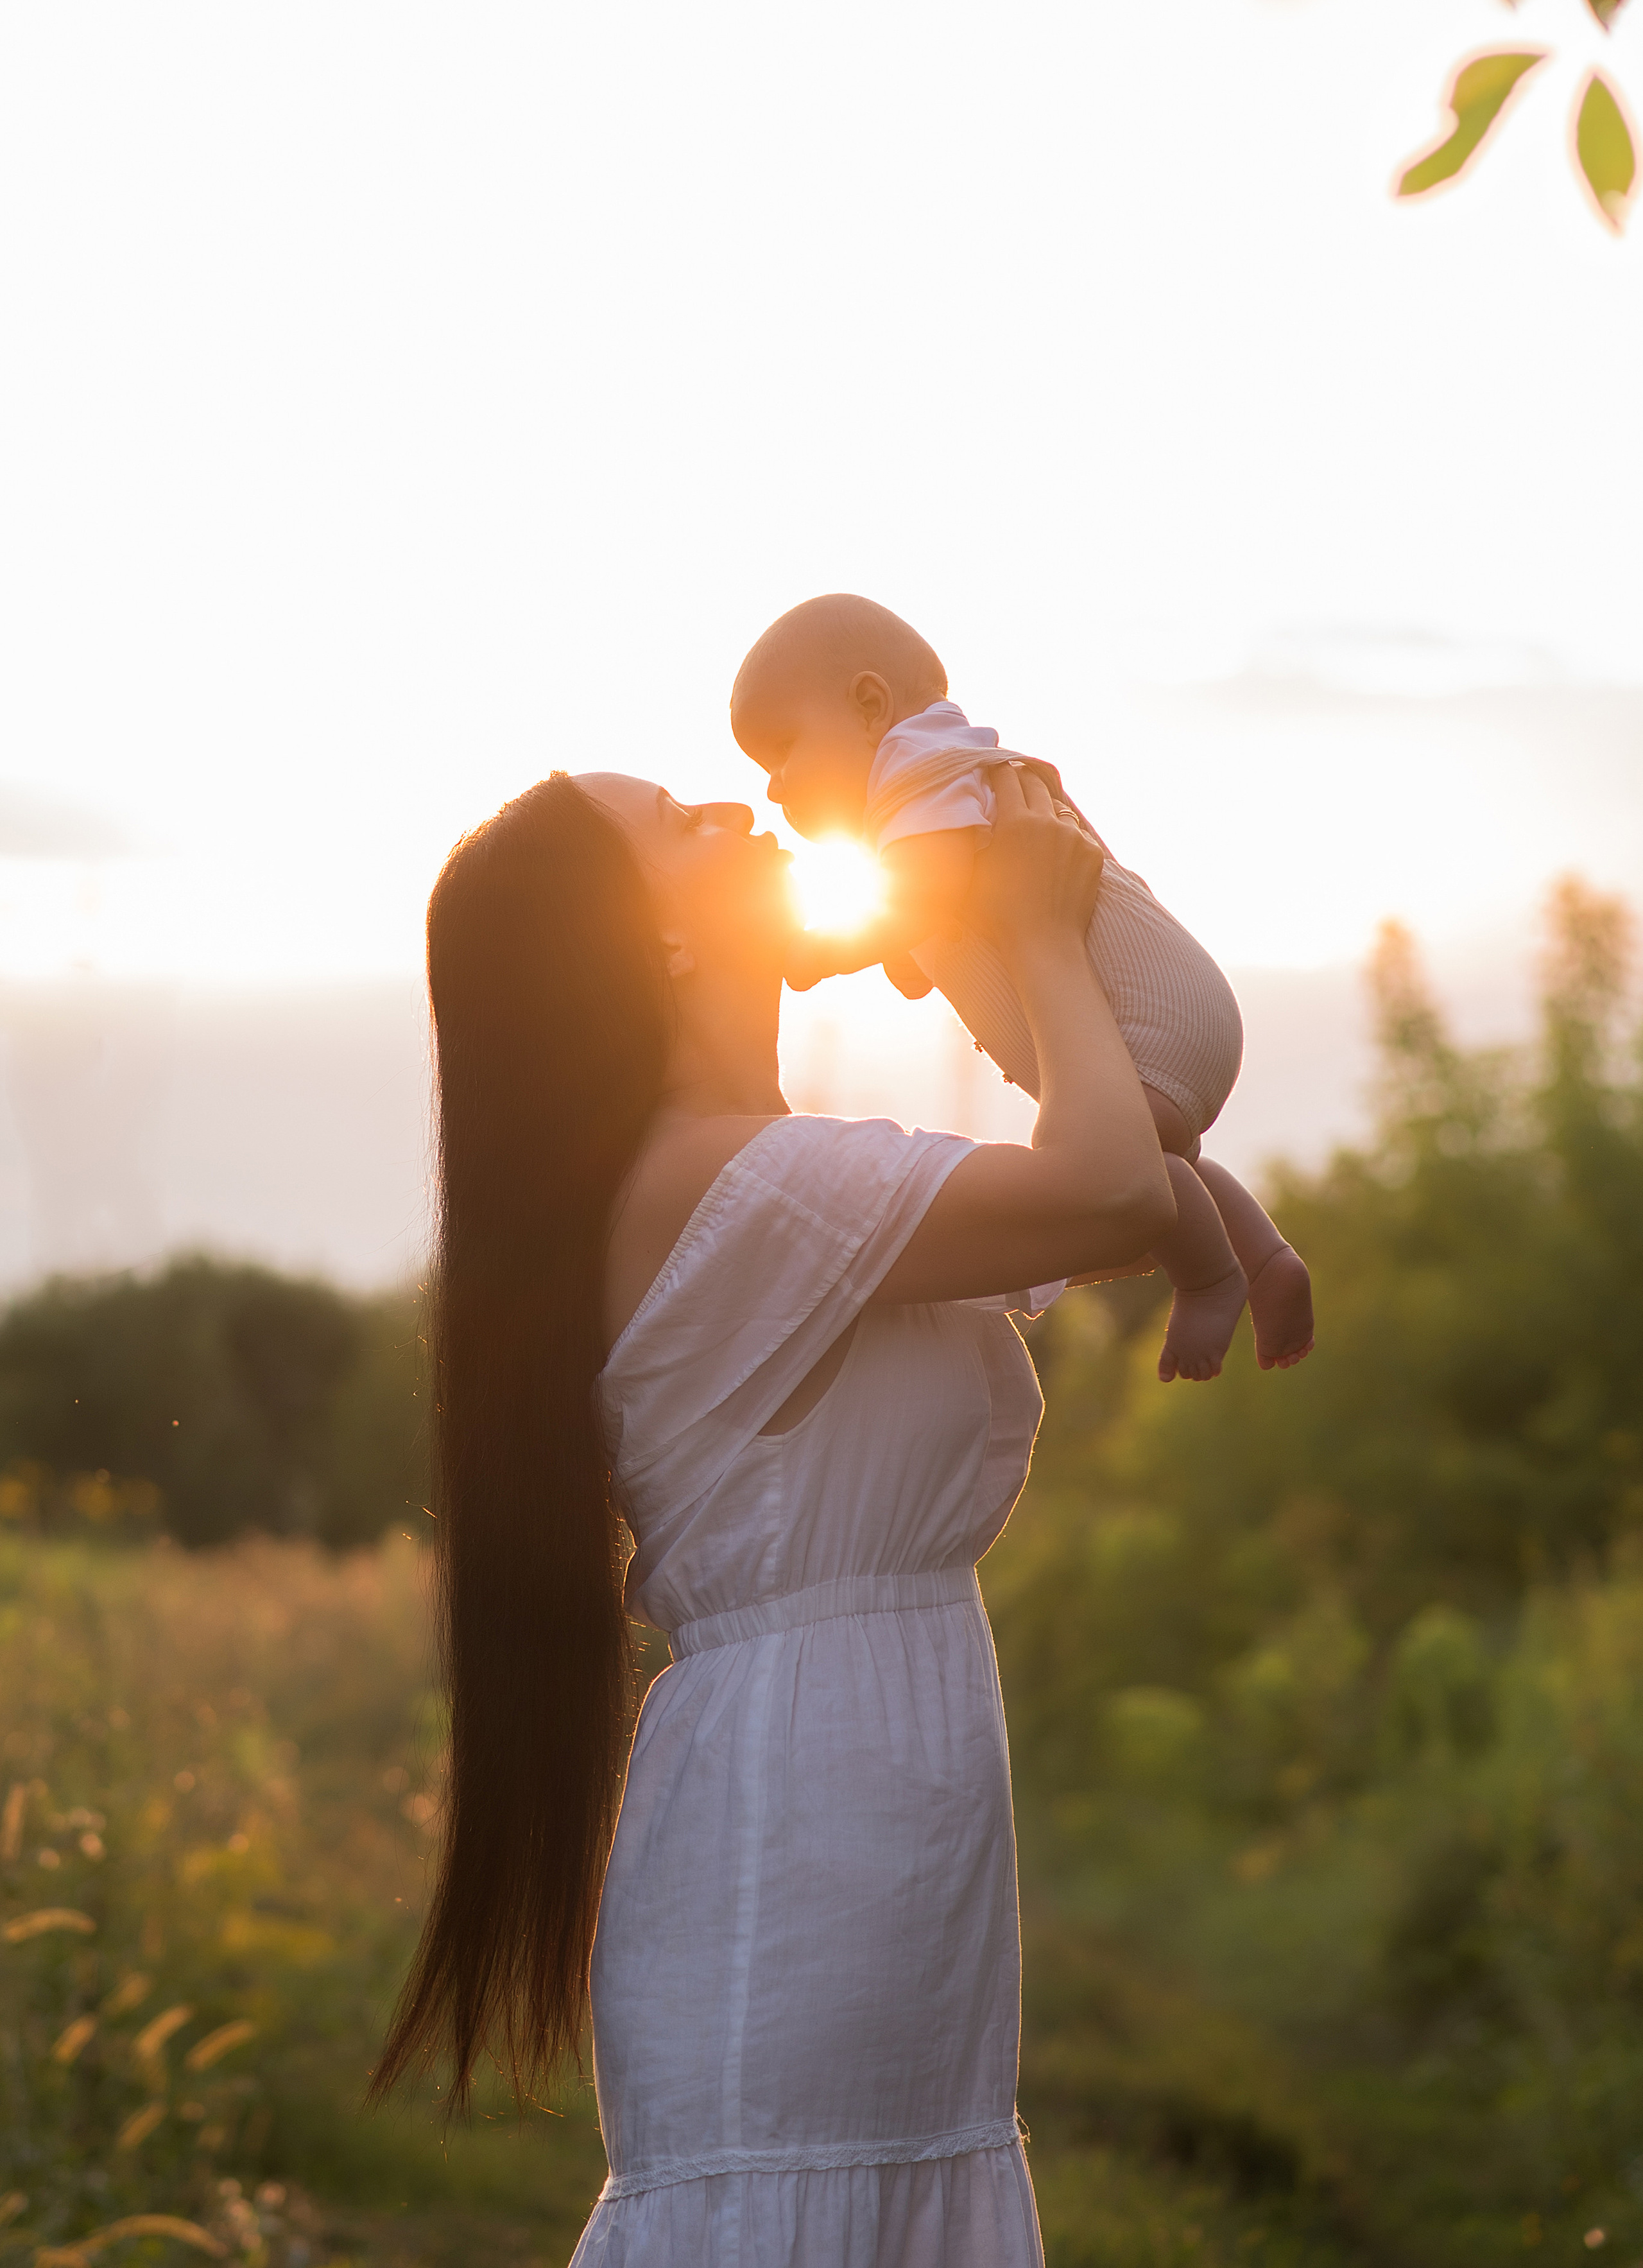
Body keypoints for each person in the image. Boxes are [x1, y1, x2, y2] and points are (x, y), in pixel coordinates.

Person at [374, 762, 1176, 2267]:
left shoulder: (769, 1176)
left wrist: (1018, 940)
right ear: (652, 942)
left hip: (860, 1784)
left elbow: (1130, 1169)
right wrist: (1039, 929)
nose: (738, 814)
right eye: (682, 821)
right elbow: (1111, 1189)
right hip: (796, 1811)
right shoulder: (721, 1183)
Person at [730, 592, 1315, 1384]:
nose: (772, 789)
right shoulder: (927, 800)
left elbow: (920, 892)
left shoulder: (917, 762)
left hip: (1151, 1018)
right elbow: (931, 911)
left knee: (1119, 1158)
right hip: (1173, 1016)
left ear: (870, 705)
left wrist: (813, 950)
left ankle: (1211, 1278)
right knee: (1153, 1148)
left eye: (782, 752)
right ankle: (1265, 1254)